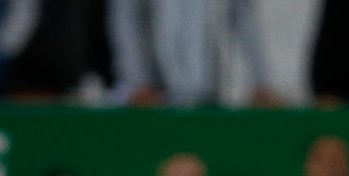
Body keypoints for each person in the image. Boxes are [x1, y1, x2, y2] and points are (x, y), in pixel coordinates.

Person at [108, 0, 275, 106]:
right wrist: (138, 82)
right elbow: (127, 23)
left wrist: (261, 81)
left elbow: (244, 21)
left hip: (213, 90)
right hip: (155, 93)